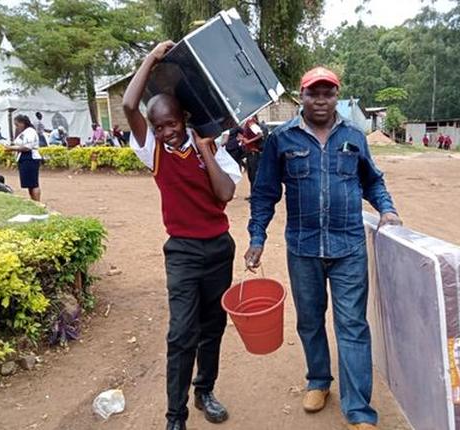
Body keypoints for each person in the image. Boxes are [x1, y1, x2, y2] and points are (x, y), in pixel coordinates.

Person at [245, 66, 402, 430]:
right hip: (303, 248)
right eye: (313, 93)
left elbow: (372, 181)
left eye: (327, 93)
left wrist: (388, 210)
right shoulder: (282, 139)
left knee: (352, 325)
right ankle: (318, 381)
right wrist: (257, 238)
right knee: (310, 321)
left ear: (337, 97)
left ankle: (359, 410)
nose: (320, 99)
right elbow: (265, 193)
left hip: (348, 246)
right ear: (302, 96)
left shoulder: (354, 135)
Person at [122, 40, 242, 430]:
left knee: (213, 327)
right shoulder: (152, 151)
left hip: (219, 249)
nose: (165, 132)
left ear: (185, 118)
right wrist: (150, 59)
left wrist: (206, 149)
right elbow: (128, 106)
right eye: (158, 127)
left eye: (171, 124)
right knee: (180, 334)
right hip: (183, 253)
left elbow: (224, 193)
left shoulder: (215, 150)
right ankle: (176, 416)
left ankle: (204, 390)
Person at [5, 114, 42, 202]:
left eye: (17, 125)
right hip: (24, 158)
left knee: (34, 183)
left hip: (30, 158)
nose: (16, 127)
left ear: (23, 123)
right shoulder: (24, 132)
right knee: (30, 184)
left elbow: (27, 147)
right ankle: (34, 202)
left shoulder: (30, 132)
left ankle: (38, 203)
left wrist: (11, 148)